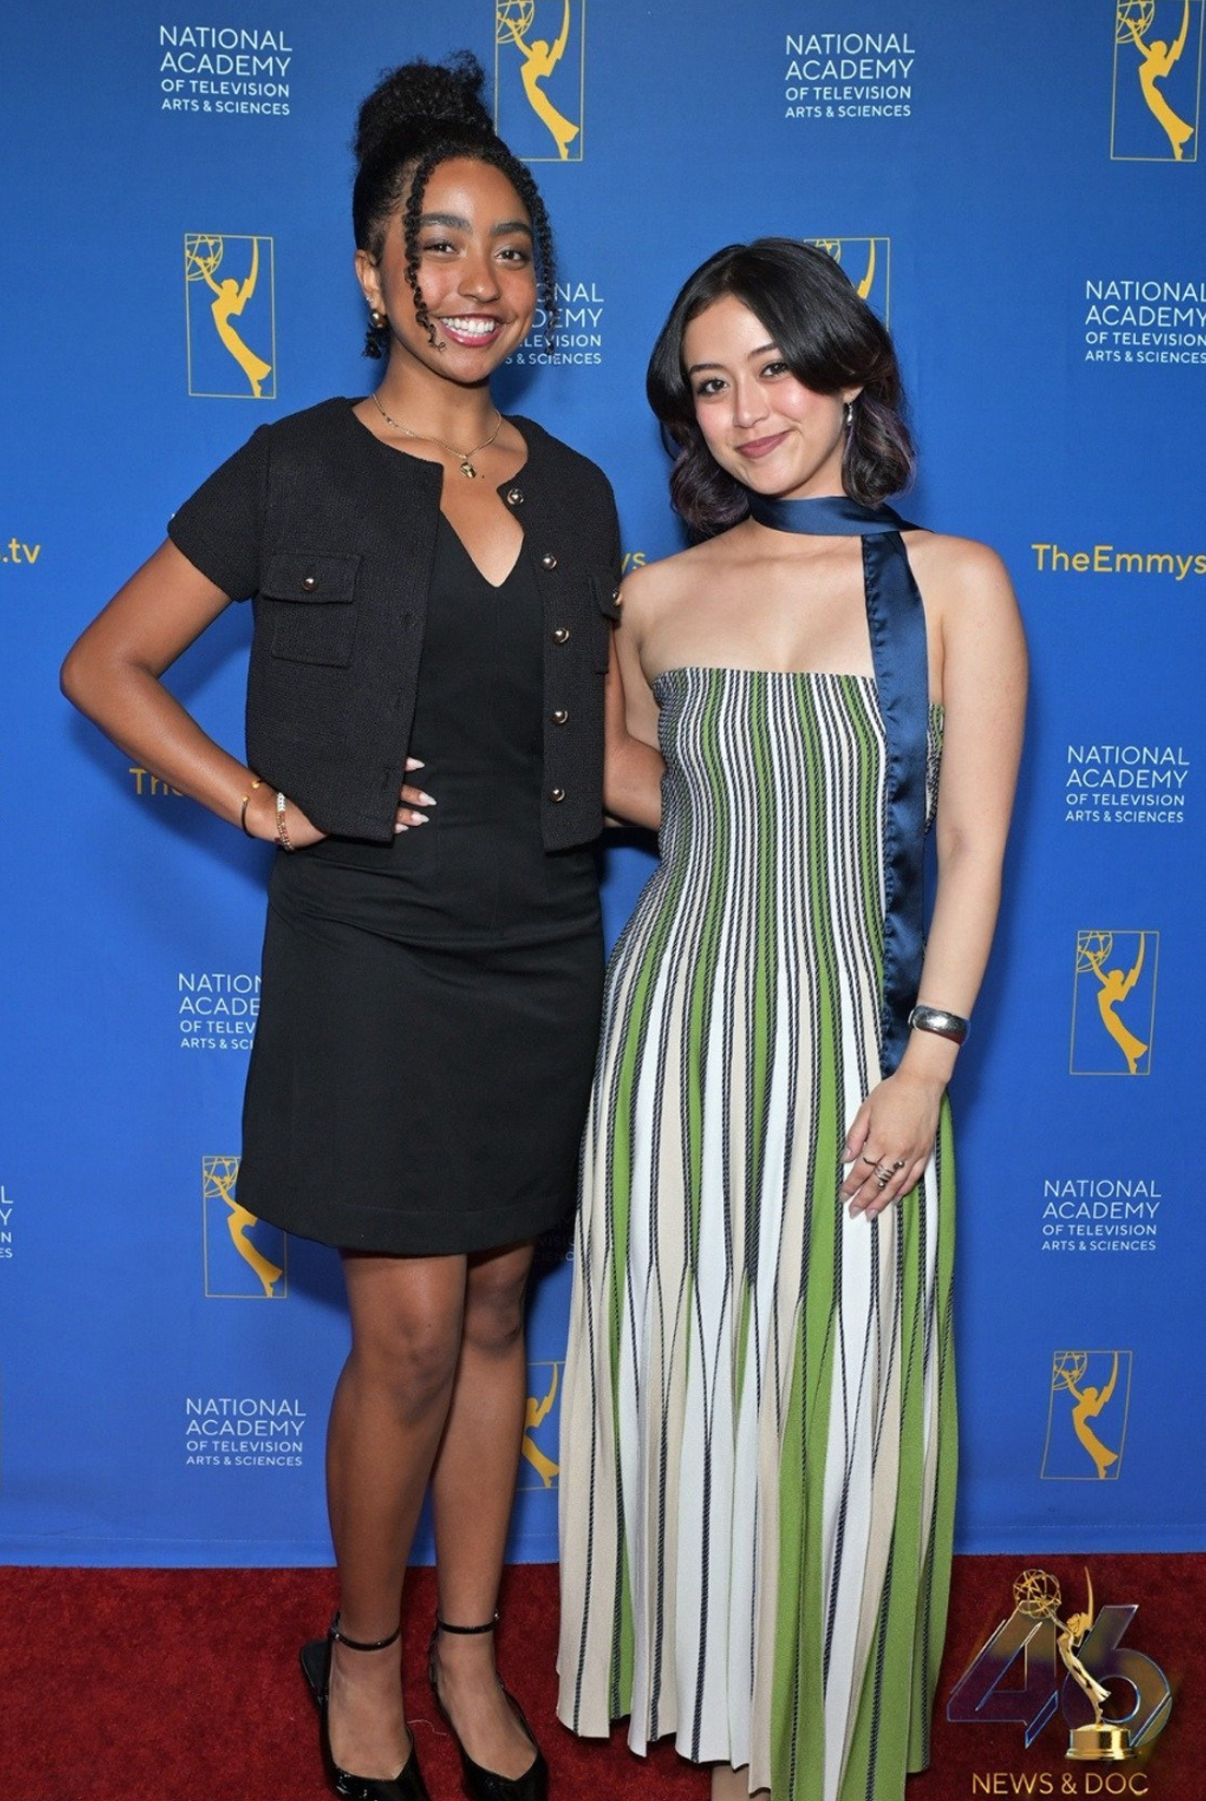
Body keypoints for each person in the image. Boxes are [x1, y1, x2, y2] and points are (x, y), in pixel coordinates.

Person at [62, 53, 656, 1801]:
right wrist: (255, 802)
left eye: (513, 251)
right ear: (371, 275)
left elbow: (608, 751)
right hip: (373, 947)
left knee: (492, 1322)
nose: (481, 283)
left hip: (541, 945)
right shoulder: (297, 465)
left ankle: (471, 1652)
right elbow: (106, 663)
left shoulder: (580, 496)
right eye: (443, 246)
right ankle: (368, 1652)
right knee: (402, 1332)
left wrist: (750, 808)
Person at [556, 239, 1026, 1801]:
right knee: (695, 1373)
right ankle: (723, 1720)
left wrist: (929, 1056)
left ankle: (816, 1736)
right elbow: (636, 781)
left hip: (858, 1041)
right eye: (709, 381)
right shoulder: (655, 596)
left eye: (772, 365)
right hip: (679, 1032)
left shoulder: (950, 583)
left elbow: (969, 844)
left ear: (844, 371)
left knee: (844, 1394)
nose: (746, 407)